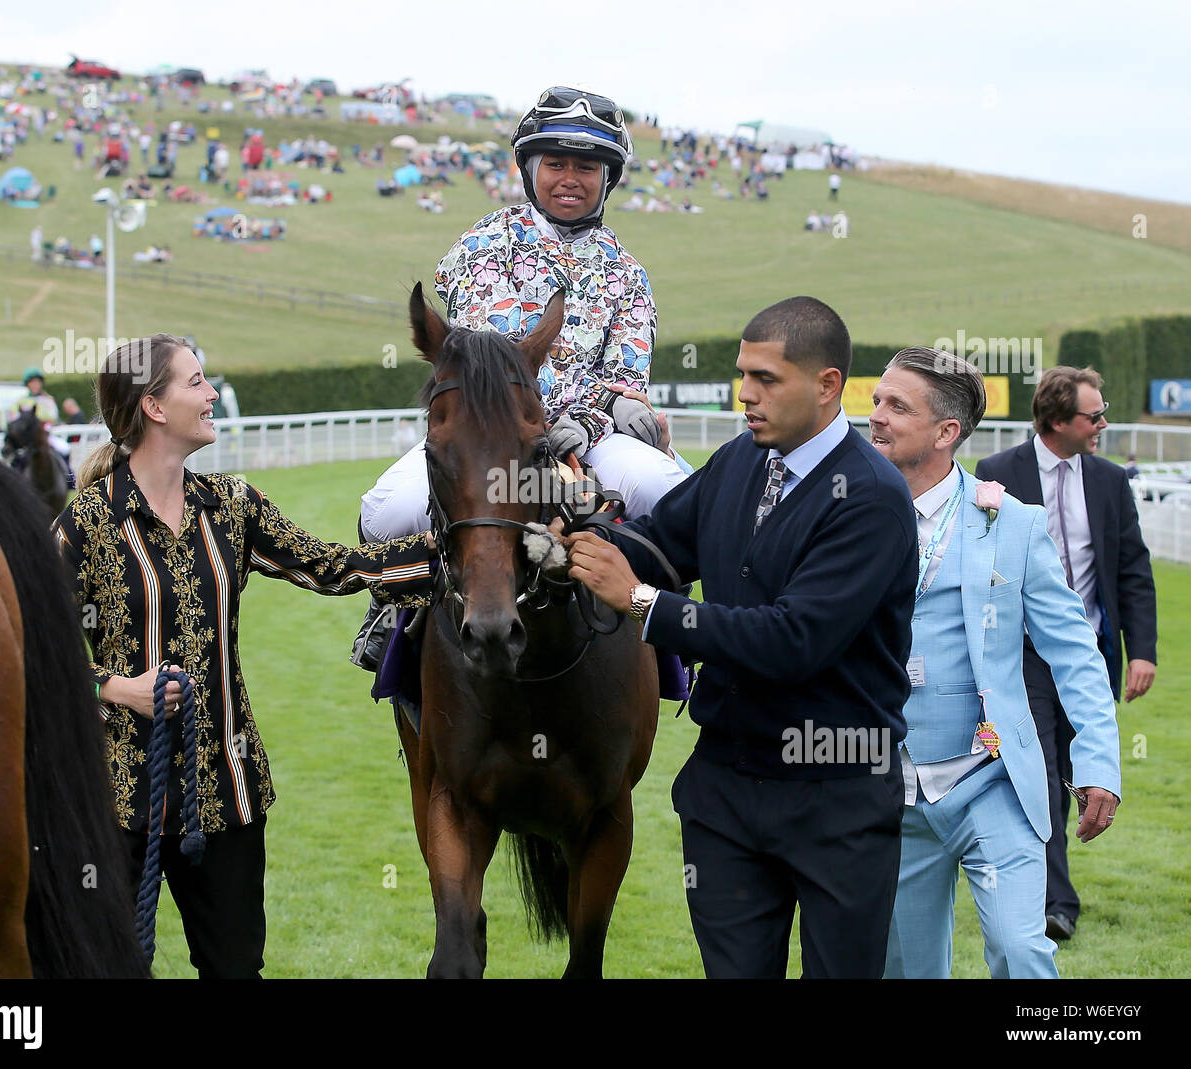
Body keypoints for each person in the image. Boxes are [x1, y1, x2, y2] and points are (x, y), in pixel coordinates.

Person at [52, 334, 437, 978]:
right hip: (114, 799)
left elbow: (335, 569)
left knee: (234, 971)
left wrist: (461, 551)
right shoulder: (87, 523)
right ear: (153, 406)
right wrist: (117, 688)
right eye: (196, 382)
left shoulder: (230, 505)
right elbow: (36, 643)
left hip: (225, 797)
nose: (210, 395)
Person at [564, 296, 918, 978]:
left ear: (826, 385)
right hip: (723, 795)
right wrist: (568, 539)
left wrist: (640, 601)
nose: (745, 396)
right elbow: (658, 545)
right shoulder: (737, 460)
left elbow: (792, 640)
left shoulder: (872, 496)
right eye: (742, 375)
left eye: (766, 379)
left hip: (838, 797)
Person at [352, 86, 687, 668]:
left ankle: (676, 633)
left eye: (586, 167)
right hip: (492, 437)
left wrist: (588, 422)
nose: (569, 178)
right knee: (388, 512)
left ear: (608, 179)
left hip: (593, 439)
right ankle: (392, 609)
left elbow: (626, 375)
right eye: (555, 163)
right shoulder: (482, 245)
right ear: (530, 170)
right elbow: (488, 362)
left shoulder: (629, 273)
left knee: (675, 498)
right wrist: (547, 424)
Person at [868, 348, 1121, 978]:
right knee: (908, 969)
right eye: (877, 400)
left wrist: (1098, 763)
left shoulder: (1013, 523)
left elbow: (1074, 652)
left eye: (897, 406)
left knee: (1020, 950)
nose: (875, 417)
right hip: (887, 787)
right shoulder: (847, 517)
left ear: (947, 432)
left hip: (994, 780)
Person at [976, 365, 1155, 943]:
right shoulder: (995, 474)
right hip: (1023, 657)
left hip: (1090, 655)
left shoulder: (1108, 480)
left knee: (1084, 773)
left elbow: (1132, 568)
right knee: (1041, 773)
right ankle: (1055, 902)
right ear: (1057, 419)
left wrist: (1142, 652)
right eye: (1094, 415)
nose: (1103, 423)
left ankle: (1043, 883)